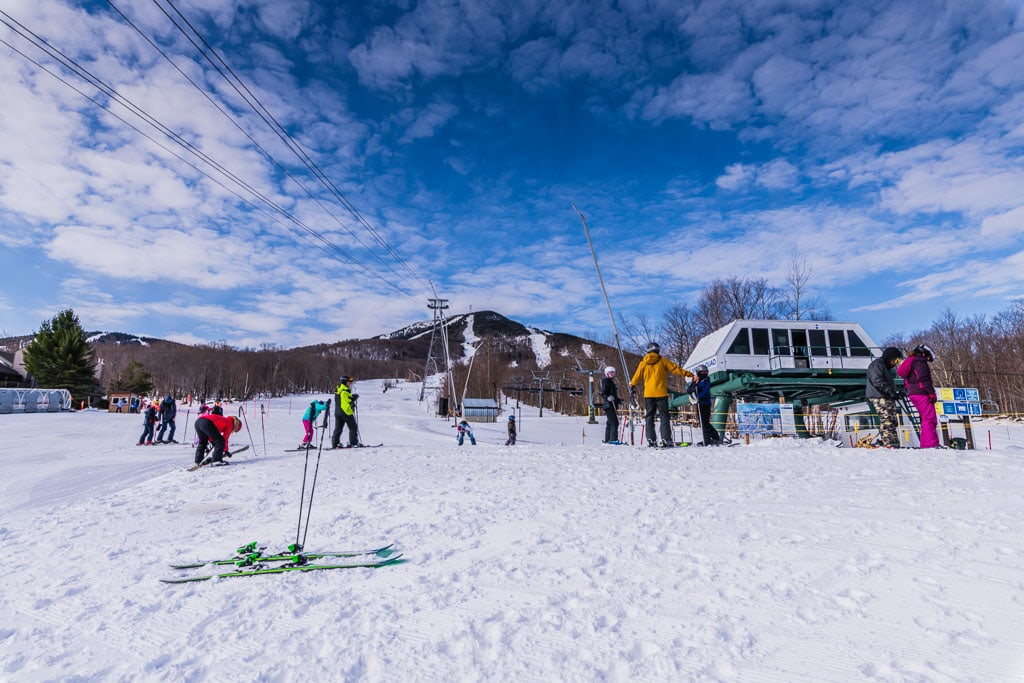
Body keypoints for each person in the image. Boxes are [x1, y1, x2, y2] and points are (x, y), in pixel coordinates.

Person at [630, 342, 696, 447]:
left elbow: (636, 376)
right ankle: (666, 439)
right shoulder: (663, 361)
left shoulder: (643, 363)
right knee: (664, 416)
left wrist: (632, 384)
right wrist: (690, 374)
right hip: (661, 393)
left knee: (649, 417)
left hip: (648, 394)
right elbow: (676, 370)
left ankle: (651, 440)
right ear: (658, 350)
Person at [897, 344, 940, 448]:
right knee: (930, 419)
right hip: (921, 393)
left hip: (912, 394)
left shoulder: (909, 362)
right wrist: (931, 393)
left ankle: (926, 444)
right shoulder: (919, 361)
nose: (927, 360)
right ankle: (930, 444)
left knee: (925, 419)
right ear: (924, 354)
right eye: (927, 357)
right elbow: (923, 378)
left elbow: (906, 381)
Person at [865, 346, 904, 448]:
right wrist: (890, 391)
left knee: (892, 419)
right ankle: (888, 443)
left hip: (886, 396)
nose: (895, 363)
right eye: (895, 360)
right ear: (889, 358)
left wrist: (893, 393)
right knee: (887, 419)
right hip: (879, 395)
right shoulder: (877, 365)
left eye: (897, 361)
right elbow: (877, 381)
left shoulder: (885, 367)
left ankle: (892, 441)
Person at [687, 365, 722, 446]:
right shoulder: (697, 380)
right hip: (699, 403)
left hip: (705, 403)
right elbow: (689, 389)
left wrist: (699, 396)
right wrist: (694, 386)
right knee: (703, 422)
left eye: (706, 372)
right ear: (699, 373)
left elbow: (705, 392)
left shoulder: (706, 381)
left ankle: (707, 440)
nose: (705, 373)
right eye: (703, 372)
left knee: (704, 422)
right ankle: (715, 437)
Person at [331, 376, 360, 448]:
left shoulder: (338, 389)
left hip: (337, 412)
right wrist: (354, 397)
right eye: (348, 382)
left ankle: (335, 444)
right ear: (344, 382)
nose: (349, 384)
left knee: (338, 428)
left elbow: (343, 398)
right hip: (345, 411)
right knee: (353, 427)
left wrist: (352, 397)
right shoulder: (345, 390)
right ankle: (354, 443)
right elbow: (347, 399)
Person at [600, 366, 620, 444]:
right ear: (607, 374)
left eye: (613, 372)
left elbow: (613, 395)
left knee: (610, 422)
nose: (613, 374)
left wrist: (619, 400)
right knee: (614, 422)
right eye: (611, 373)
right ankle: (613, 439)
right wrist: (608, 397)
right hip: (609, 405)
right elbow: (604, 393)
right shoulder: (606, 382)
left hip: (612, 404)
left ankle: (608, 439)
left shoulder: (611, 382)